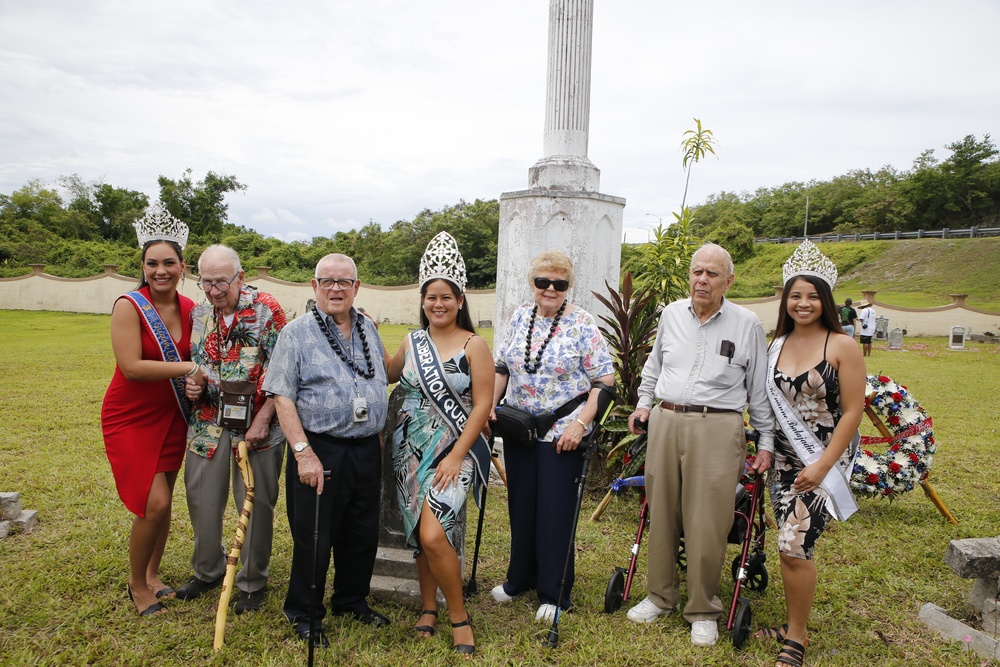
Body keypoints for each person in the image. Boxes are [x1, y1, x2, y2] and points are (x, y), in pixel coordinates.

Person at [625, 243, 774, 647]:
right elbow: (654, 365)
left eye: (712, 273)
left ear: (728, 281)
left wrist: (766, 442)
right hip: (666, 418)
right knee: (662, 509)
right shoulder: (671, 313)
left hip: (718, 424)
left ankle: (704, 608)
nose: (702, 280)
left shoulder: (747, 324)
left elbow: (758, 388)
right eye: (697, 272)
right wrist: (642, 405)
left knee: (708, 520)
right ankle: (660, 595)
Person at [262, 253, 390, 646]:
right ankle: (304, 611)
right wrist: (303, 452)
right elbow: (282, 395)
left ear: (357, 287)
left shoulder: (368, 327)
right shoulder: (296, 333)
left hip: (366, 448)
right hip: (321, 448)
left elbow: (382, 372)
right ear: (313, 286)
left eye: (344, 282)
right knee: (315, 534)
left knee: (362, 533)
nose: (336, 288)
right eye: (327, 281)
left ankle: (351, 600)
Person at [489, 250, 615, 622]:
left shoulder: (582, 324)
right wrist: (489, 410)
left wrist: (581, 424)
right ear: (532, 284)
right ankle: (520, 578)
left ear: (567, 287)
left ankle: (554, 591)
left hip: (563, 432)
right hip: (519, 428)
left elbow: (604, 381)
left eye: (559, 284)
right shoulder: (519, 317)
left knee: (555, 512)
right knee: (522, 505)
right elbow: (502, 367)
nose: (550, 289)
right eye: (543, 282)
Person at [756, 240, 865, 667]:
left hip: (824, 459)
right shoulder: (775, 344)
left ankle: (796, 636)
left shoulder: (842, 345)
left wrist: (821, 465)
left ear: (826, 300)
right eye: (795, 295)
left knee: (794, 545)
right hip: (782, 462)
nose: (804, 303)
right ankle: (790, 622)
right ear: (786, 301)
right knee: (788, 543)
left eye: (813, 296)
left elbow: (854, 410)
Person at [387, 232, 494, 656]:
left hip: (455, 449)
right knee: (419, 531)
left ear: (460, 299)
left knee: (434, 533)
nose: (438, 304)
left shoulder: (475, 344)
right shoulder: (413, 342)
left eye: (446, 297)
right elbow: (389, 372)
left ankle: (459, 616)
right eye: (431, 297)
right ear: (423, 299)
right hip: (408, 448)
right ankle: (427, 608)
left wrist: (456, 455)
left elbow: (483, 406)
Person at [101, 205, 203, 616]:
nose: (160, 270)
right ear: (142, 265)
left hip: (172, 415)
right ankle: (135, 583)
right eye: (152, 263)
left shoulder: (192, 308)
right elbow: (132, 366)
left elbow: (202, 355)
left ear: (182, 265)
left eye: (169, 263)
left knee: (166, 499)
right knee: (154, 503)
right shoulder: (129, 305)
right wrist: (190, 368)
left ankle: (153, 575)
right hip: (130, 416)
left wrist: (196, 381)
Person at [176, 244, 287, 613]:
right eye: (205, 282)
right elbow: (198, 364)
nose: (212, 291)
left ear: (240, 277)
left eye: (220, 282)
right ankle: (207, 570)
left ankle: (252, 582)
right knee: (202, 498)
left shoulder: (267, 310)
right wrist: (195, 384)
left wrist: (264, 418)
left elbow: (283, 370)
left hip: (258, 424)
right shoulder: (201, 312)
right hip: (208, 422)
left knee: (254, 504)